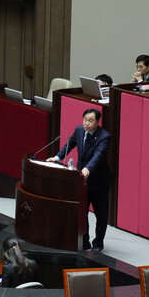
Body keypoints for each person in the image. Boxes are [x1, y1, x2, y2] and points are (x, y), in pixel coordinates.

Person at [51, 107, 111, 251]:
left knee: (100, 215)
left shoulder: (104, 137)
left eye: (90, 121)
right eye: (85, 119)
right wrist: (57, 157)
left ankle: (98, 243)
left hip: (99, 182)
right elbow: (69, 144)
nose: (87, 123)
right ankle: (84, 241)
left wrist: (87, 169)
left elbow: (99, 155)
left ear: (97, 122)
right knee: (81, 212)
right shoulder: (79, 130)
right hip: (81, 181)